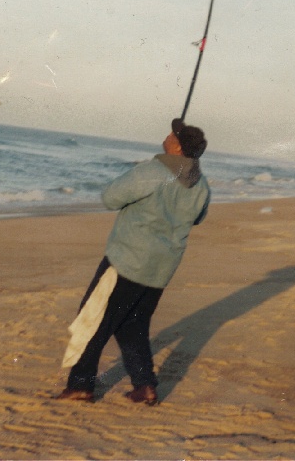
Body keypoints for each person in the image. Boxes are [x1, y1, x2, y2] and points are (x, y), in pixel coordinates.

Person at [55, 118, 211, 406]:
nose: (167, 135)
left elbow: (110, 197)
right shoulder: (200, 185)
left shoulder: (153, 172)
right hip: (160, 269)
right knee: (133, 326)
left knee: (92, 320)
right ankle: (145, 386)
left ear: (176, 146)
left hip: (127, 261)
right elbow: (198, 217)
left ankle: (80, 385)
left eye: (172, 134)